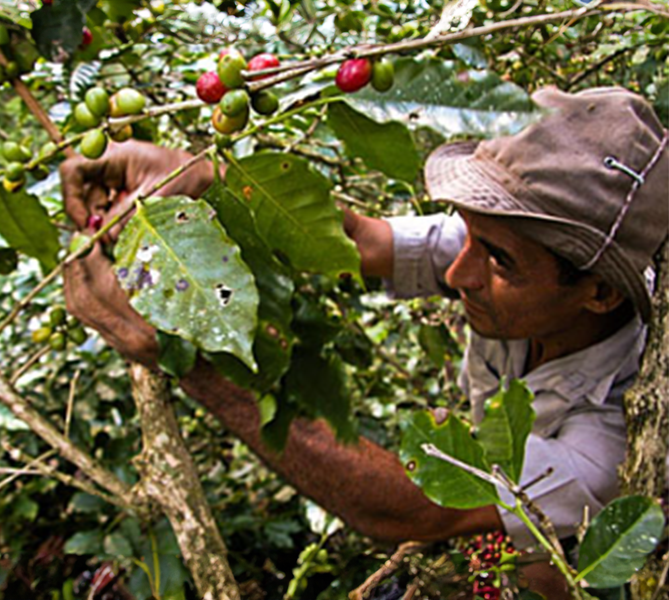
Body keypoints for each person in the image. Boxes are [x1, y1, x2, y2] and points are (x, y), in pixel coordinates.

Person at [61, 87, 668, 596]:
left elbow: (413, 506)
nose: (458, 274)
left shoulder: (614, 433)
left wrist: (186, 360)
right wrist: (198, 174)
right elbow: (358, 240)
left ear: (600, 294)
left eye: (499, 261)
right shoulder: (505, 245)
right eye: (467, 236)